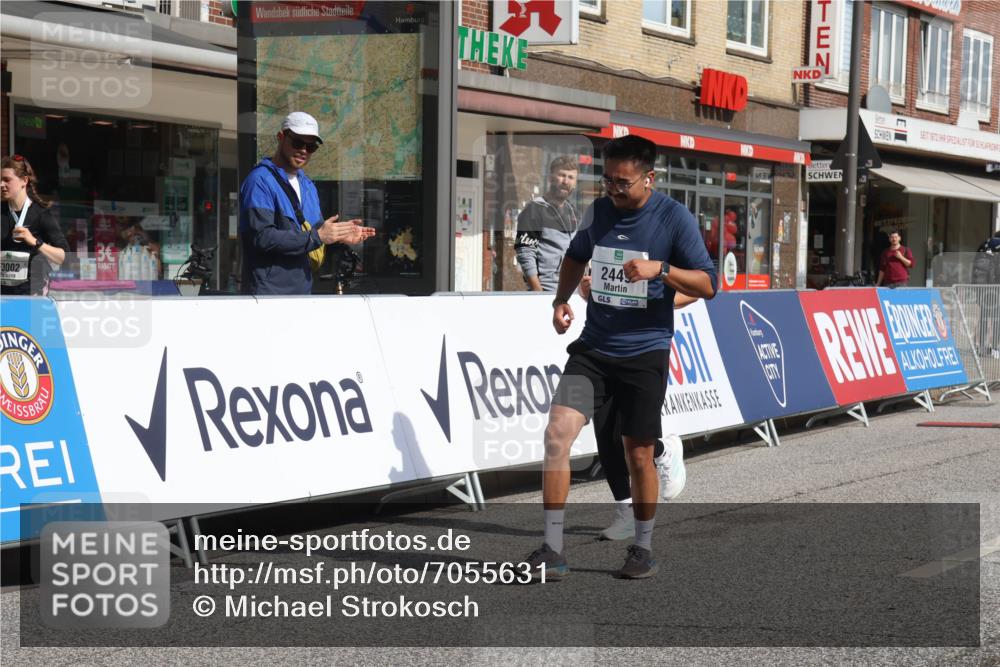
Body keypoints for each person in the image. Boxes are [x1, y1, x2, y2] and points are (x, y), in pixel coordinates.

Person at [527, 135, 717, 580]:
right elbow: (575, 257)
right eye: (607, 180)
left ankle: (643, 548)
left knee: (639, 454)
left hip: (644, 352)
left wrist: (662, 270)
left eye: (623, 182)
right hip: (593, 351)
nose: (612, 189)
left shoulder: (673, 218)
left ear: (649, 178)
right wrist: (561, 299)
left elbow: (709, 285)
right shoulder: (599, 211)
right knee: (556, 435)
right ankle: (552, 549)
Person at [579, 273, 696, 541]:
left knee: (633, 437)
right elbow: (590, 289)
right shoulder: (599, 245)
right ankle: (625, 510)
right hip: (602, 344)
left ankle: (663, 450)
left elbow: (700, 288)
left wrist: (658, 303)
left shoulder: (665, 246)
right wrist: (586, 290)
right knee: (605, 430)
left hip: (645, 349)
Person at [239, 111, 375, 295]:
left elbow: (315, 234)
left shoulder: (308, 186)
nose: (304, 150)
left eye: (311, 147)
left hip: (303, 292)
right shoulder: (259, 181)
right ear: (281, 137)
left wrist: (338, 236)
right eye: (297, 142)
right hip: (267, 295)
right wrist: (317, 237)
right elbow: (262, 238)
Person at [1, 155, 68, 296]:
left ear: (24, 180)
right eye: (0, 180)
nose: (1, 184)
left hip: (32, 296)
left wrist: (35, 242)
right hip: (3, 297)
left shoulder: (41, 214)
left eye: (6, 180)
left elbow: (64, 257)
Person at [514, 155, 579, 291]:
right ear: (550, 178)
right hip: (547, 291)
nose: (566, 181)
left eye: (571, 177)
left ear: (575, 183)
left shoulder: (573, 212)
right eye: (562, 175)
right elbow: (525, 252)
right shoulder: (535, 209)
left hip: (571, 291)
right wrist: (538, 293)